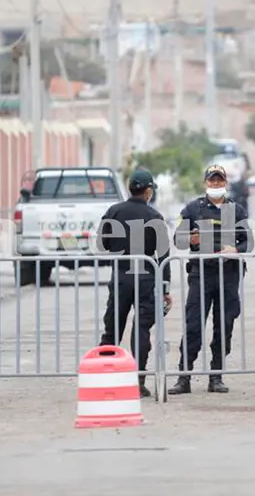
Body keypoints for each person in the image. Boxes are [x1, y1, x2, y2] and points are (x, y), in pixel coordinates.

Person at [168, 165, 251, 395]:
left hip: (228, 276)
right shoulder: (193, 209)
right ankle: (183, 378)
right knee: (193, 326)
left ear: (225, 182)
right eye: (212, 181)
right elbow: (178, 240)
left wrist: (235, 249)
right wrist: (190, 240)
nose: (216, 184)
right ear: (206, 183)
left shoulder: (236, 210)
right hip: (201, 275)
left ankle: (216, 377)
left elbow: (248, 242)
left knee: (224, 326)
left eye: (219, 180)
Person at [96, 169, 173, 398]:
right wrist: (165, 289)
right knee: (141, 329)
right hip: (146, 280)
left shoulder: (114, 211)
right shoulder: (155, 217)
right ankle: (137, 381)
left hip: (120, 278)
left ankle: (103, 378)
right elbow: (163, 256)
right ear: (148, 191)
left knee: (112, 329)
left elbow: (103, 245)